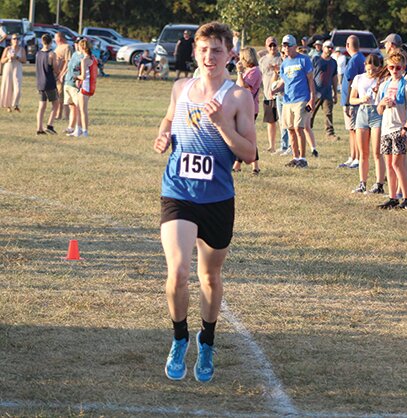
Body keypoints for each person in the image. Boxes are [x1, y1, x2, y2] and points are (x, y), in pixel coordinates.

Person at [153, 21, 256, 383]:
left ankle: (206, 340)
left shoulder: (239, 97)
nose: (209, 56)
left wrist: (221, 125)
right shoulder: (181, 87)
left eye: (216, 50)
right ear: (194, 52)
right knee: (178, 271)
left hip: (217, 198)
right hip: (179, 192)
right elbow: (168, 120)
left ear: (230, 54)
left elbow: (250, 151)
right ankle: (180, 337)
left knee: (209, 277)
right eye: (203, 50)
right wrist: (163, 134)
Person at [376, 51, 407, 209]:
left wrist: (406, 127)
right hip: (386, 128)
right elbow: (378, 110)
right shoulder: (384, 85)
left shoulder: (406, 86)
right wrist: (383, 104)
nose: (395, 70)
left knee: (398, 164)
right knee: (389, 164)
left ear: (403, 68)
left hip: (399, 128)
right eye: (392, 67)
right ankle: (393, 197)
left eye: (398, 67)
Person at [271, 34, 315, 168]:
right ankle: (295, 157)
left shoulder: (304, 60)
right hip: (287, 100)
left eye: (288, 45)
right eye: (284, 45)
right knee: (290, 129)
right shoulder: (284, 63)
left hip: (301, 99)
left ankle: (303, 159)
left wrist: (312, 99)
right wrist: (274, 90)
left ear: (295, 46)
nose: (286, 48)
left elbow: (310, 80)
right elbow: (284, 81)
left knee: (298, 127)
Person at [349, 54, 385, 194]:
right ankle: (362, 183)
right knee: (363, 152)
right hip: (362, 112)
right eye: (368, 69)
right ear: (365, 66)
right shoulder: (359, 78)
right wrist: (361, 100)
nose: (371, 73)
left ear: (378, 67)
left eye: (374, 70)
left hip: (377, 112)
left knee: (377, 151)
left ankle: (379, 184)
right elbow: (352, 99)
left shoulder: (382, 79)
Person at [232, 47, 262, 174]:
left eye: (241, 57)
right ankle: (242, 165)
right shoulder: (248, 71)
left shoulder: (254, 71)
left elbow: (244, 86)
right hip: (243, 107)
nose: (240, 60)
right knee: (243, 136)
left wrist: (239, 72)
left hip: (250, 108)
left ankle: (251, 165)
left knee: (247, 137)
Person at [338, 35, 365, 169]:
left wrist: (348, 102)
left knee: (354, 130)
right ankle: (353, 156)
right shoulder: (359, 58)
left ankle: (357, 158)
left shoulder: (355, 60)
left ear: (348, 45)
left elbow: (350, 81)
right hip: (351, 101)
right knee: (351, 130)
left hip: (352, 102)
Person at [311, 40, 339, 141]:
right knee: (310, 113)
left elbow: (334, 77)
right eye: (328, 47)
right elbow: (310, 75)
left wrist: (335, 93)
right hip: (315, 92)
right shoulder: (316, 59)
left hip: (327, 92)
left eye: (332, 47)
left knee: (328, 113)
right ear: (323, 48)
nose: (330, 49)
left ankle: (330, 133)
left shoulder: (333, 62)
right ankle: (307, 130)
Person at [259, 36, 281, 153]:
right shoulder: (263, 60)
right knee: (270, 121)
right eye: (270, 45)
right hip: (267, 94)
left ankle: (285, 145)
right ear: (266, 47)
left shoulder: (282, 58)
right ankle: (271, 145)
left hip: (281, 95)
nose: (272, 47)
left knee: (283, 122)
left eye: (274, 45)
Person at [35, 34, 59, 135]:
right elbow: (56, 69)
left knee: (42, 106)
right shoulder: (52, 54)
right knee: (56, 104)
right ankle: (50, 125)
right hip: (49, 82)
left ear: (42, 41)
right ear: (51, 42)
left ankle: (39, 128)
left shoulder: (38, 54)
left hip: (40, 82)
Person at [75, 38, 98, 138]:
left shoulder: (84, 60)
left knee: (83, 110)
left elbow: (83, 76)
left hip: (85, 86)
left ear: (82, 47)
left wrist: (76, 77)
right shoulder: (93, 58)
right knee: (79, 109)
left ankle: (85, 131)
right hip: (91, 86)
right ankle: (79, 130)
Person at [0, 33, 26, 112]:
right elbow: (2, 60)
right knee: (8, 87)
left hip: (17, 69)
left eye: (17, 39)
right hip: (8, 68)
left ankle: (15, 104)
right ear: (11, 40)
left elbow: (24, 60)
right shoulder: (7, 49)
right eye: (14, 39)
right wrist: (8, 58)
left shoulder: (22, 49)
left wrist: (17, 57)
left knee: (17, 87)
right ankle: (8, 106)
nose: (16, 40)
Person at [63, 37, 83, 137]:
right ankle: (71, 127)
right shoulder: (74, 54)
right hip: (68, 82)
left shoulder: (83, 56)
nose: (76, 45)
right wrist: (63, 75)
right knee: (72, 107)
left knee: (78, 107)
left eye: (78, 43)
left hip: (75, 85)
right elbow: (69, 66)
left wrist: (79, 80)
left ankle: (78, 128)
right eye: (75, 43)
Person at [54, 31, 73, 120]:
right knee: (57, 94)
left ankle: (60, 114)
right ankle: (58, 113)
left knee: (61, 95)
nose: (54, 39)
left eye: (55, 37)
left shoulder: (67, 47)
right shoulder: (58, 47)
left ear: (60, 38)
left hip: (62, 75)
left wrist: (61, 74)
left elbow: (68, 61)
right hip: (56, 74)